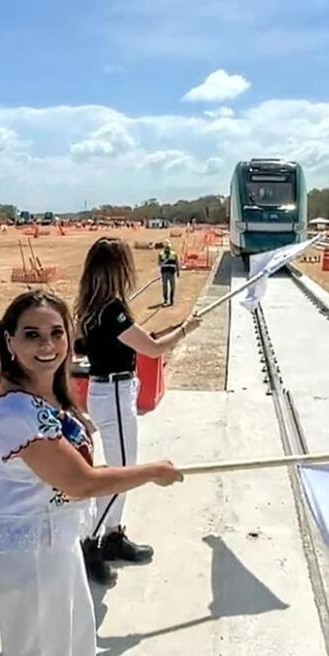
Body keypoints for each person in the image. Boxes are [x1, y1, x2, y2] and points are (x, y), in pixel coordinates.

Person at [0, 289, 183, 656]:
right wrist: (152, 472)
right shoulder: (16, 413)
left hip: (58, 540)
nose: (47, 344)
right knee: (38, 655)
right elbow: (81, 483)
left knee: (70, 645)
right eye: (32, 334)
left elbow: (76, 476)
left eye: (57, 333)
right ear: (9, 341)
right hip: (29, 553)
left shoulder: (50, 398)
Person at [75, 237, 201, 585]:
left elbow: (127, 341)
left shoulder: (91, 305)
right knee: (121, 473)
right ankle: (91, 542)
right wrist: (185, 329)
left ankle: (113, 533)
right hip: (113, 390)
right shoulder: (112, 308)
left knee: (121, 468)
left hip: (110, 390)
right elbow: (152, 349)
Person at [158, 240, 179, 306]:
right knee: (165, 287)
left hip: (171, 273)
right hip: (164, 273)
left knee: (172, 286)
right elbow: (159, 263)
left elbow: (177, 263)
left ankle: (171, 299)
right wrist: (164, 261)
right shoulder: (161, 254)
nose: (168, 248)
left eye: (168, 247)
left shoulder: (174, 254)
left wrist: (178, 271)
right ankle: (165, 300)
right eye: (166, 247)